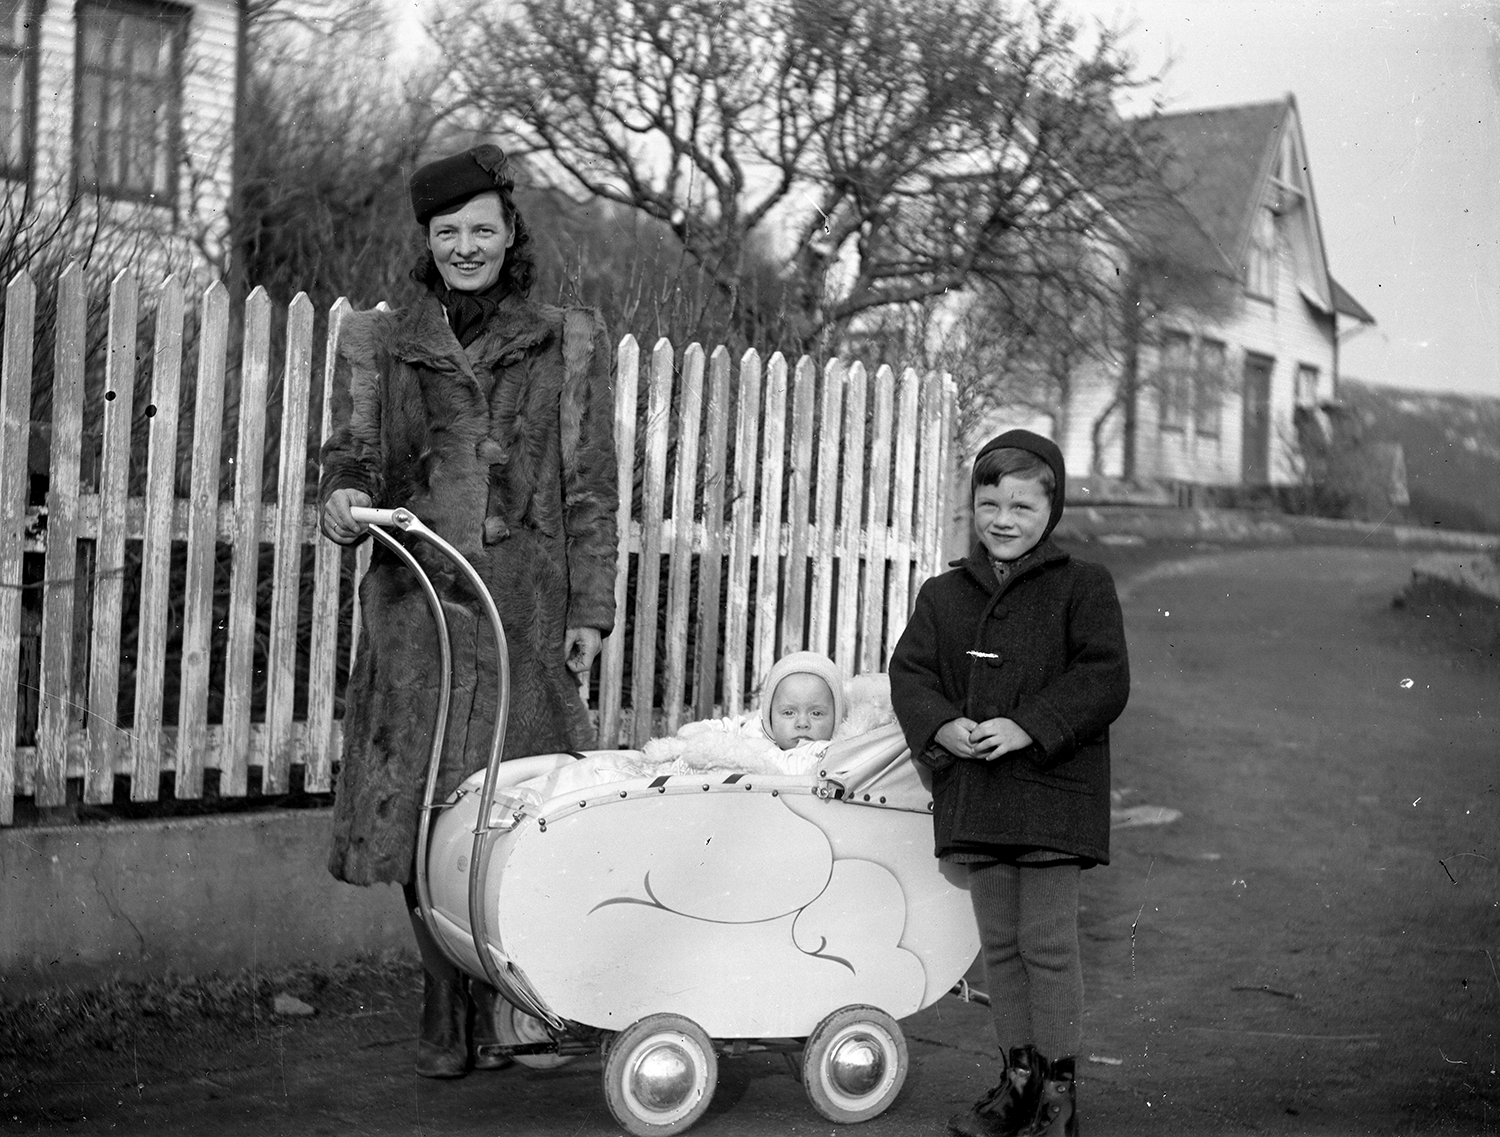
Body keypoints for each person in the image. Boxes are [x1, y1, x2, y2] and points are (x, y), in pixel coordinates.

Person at [318, 143, 618, 1079]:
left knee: (513, 804)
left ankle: (509, 994)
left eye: (482, 229)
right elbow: (351, 454)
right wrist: (341, 498)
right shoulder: (377, 342)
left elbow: (592, 487)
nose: (465, 247)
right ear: (428, 240)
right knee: (419, 807)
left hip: (522, 612)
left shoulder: (568, 341)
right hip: (416, 609)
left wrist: (590, 606)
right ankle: (445, 996)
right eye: (447, 232)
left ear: (510, 232)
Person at [889, 429, 1129, 1137]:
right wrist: (940, 726)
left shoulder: (1083, 586)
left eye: (1022, 506)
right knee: (998, 944)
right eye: (989, 503)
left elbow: (1104, 678)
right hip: (979, 794)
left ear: (1051, 511)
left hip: (1053, 795)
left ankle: (1058, 1093)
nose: (1002, 519)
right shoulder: (943, 594)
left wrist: (1029, 725)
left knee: (1047, 944)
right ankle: (1017, 1080)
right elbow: (911, 673)